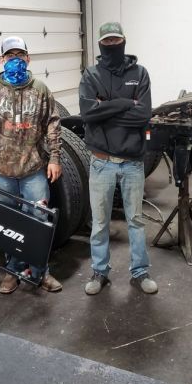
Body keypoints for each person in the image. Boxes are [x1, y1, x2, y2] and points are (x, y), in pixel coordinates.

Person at [0, 35, 63, 294]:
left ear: (28, 57)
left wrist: (55, 158)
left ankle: (40, 273)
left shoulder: (41, 89)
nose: (15, 60)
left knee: (38, 222)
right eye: (10, 56)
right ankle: (13, 272)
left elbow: (53, 125)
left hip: (33, 171)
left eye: (19, 55)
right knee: (8, 225)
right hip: (1, 173)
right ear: (2, 60)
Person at [79, 22, 157, 295]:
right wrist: (126, 103)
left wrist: (105, 108)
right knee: (100, 222)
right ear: (101, 44)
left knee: (135, 220)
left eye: (116, 41)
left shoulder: (140, 73)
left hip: (133, 163)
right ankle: (100, 272)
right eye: (107, 42)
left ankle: (140, 272)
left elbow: (143, 115)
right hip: (101, 162)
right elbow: (88, 113)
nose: (112, 45)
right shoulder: (91, 75)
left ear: (124, 41)